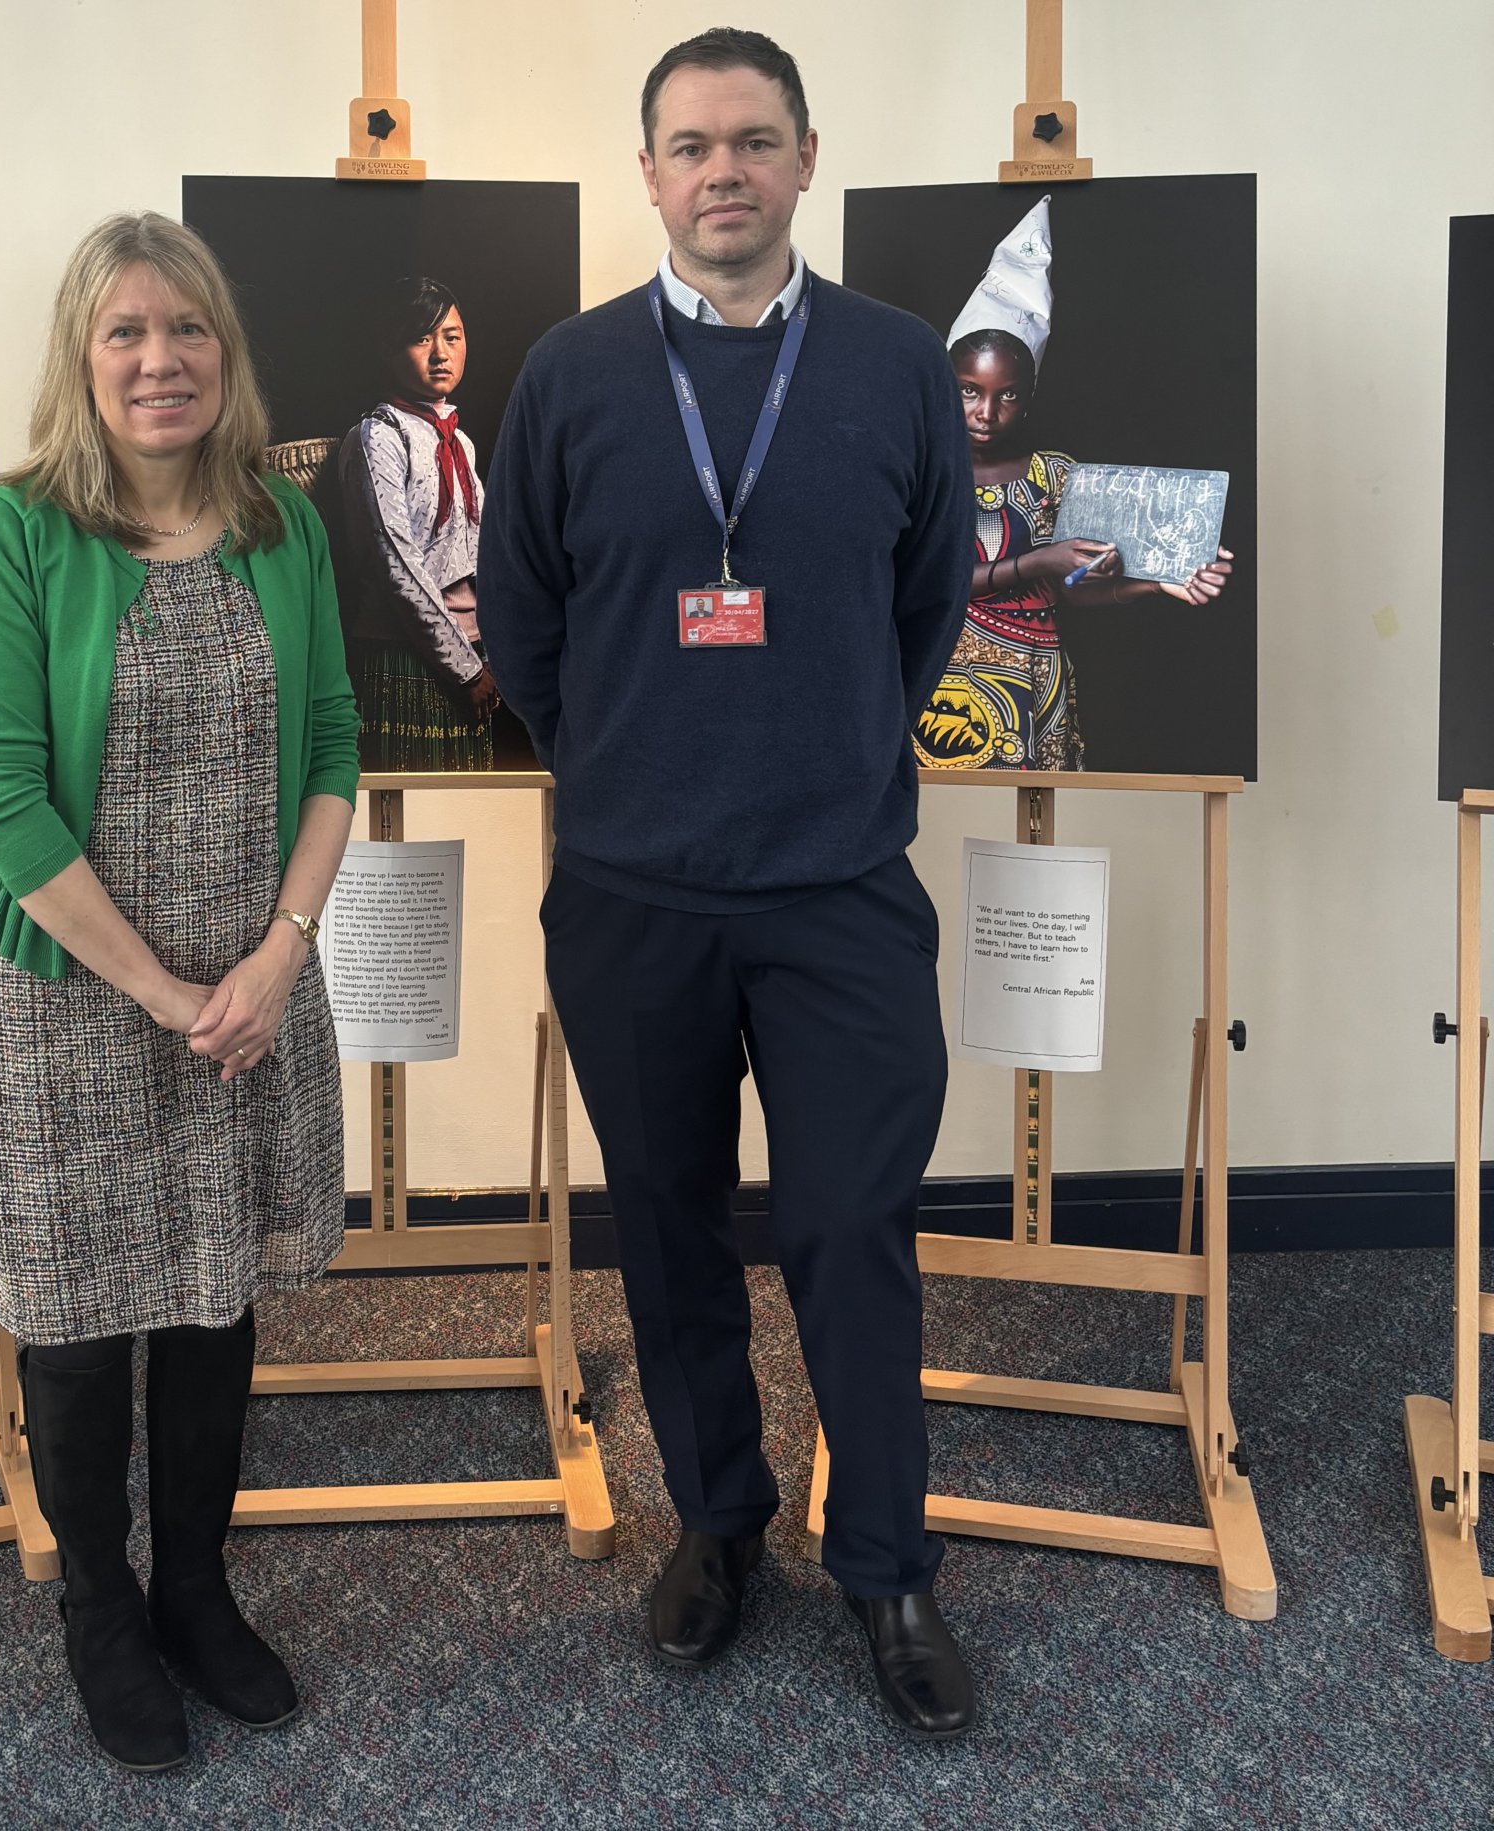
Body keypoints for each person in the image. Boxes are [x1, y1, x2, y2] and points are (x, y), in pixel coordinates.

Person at [478, 29, 978, 1738]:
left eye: (752, 141)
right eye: (688, 145)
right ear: (646, 174)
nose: (721, 173)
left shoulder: (899, 366)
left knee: (851, 1227)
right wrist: (623, 762)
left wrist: (822, 748)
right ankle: (715, 1516)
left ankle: (888, 1563)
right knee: (670, 1225)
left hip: (836, 886)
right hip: (631, 894)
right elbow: (522, 620)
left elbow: (925, 602)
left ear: (804, 161)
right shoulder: (565, 375)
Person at [0, 211, 359, 1774]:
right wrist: (165, 985)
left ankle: (194, 1582)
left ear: (223, 351)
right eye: (125, 333)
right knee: (71, 1314)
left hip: (253, 993)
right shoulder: (19, 528)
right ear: (82, 355)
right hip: (72, 993)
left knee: (212, 1296)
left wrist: (278, 954)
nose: (160, 360)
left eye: (187, 330)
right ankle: (99, 1608)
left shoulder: (279, 525)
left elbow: (330, 747)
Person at [915, 197, 1236, 770]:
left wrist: (1158, 582)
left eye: (1006, 395)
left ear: (1028, 397)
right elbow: (920, 585)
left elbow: (1076, 587)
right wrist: (1039, 562)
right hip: (948, 693)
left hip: (1041, 685)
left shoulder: (1054, 476)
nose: (986, 411)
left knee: (1038, 838)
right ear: (943, 384)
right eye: (969, 390)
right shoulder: (919, 471)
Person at [332, 275, 501, 769]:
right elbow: (396, 563)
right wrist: (464, 670)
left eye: (452, 336)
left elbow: (484, 554)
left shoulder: (460, 442)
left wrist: (489, 657)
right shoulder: (377, 437)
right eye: (421, 338)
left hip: (474, 657)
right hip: (402, 654)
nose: (440, 354)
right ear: (389, 348)